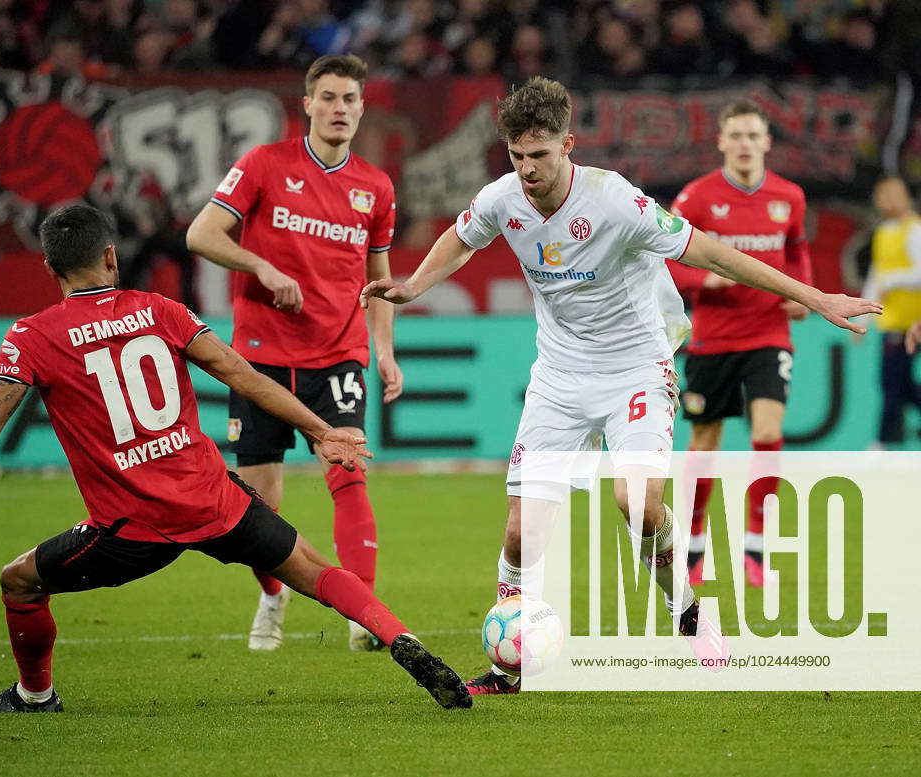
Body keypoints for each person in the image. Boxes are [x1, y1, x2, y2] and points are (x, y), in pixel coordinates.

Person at [360, 76, 880, 695]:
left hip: (636, 366)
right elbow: (462, 238)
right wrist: (416, 285)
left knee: (636, 503)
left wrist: (815, 296)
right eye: (517, 156)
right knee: (523, 530)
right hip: (558, 376)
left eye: (540, 155)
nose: (527, 170)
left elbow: (711, 253)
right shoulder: (503, 197)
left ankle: (685, 612)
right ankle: (507, 668)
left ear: (568, 145)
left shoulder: (616, 201)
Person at [0, 205, 470, 713]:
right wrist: (322, 431)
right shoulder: (159, 310)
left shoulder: (33, 335)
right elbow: (243, 374)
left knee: (18, 580)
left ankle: (35, 696)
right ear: (110, 256)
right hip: (214, 500)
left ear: (50, 268)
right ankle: (401, 638)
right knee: (315, 569)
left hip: (131, 529)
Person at [186, 53, 402, 652]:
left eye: (349, 99)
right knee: (259, 506)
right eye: (328, 98)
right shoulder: (264, 165)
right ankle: (275, 594)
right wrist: (259, 264)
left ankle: (366, 613)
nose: (339, 109)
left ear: (362, 108)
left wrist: (383, 349)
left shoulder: (375, 187)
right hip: (258, 361)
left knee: (349, 471)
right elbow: (200, 233)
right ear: (307, 104)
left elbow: (379, 280)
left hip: (337, 355)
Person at [665, 99, 813, 588]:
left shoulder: (788, 196)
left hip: (769, 332)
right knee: (705, 443)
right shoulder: (698, 198)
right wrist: (701, 284)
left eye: (754, 135)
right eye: (737, 135)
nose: (746, 144)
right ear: (722, 141)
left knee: (768, 432)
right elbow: (666, 256)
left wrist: (803, 293)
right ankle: (692, 543)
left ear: (767, 142)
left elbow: (796, 249)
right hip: (714, 336)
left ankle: (756, 543)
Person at [861, 177, 921, 447]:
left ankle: (881, 444)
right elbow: (876, 275)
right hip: (892, 321)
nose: (885, 201)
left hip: (912, 321)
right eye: (881, 195)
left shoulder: (915, 230)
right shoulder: (884, 231)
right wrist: (863, 315)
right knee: (898, 383)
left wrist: (892, 281)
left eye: (892, 194)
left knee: (892, 383)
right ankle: (884, 443)